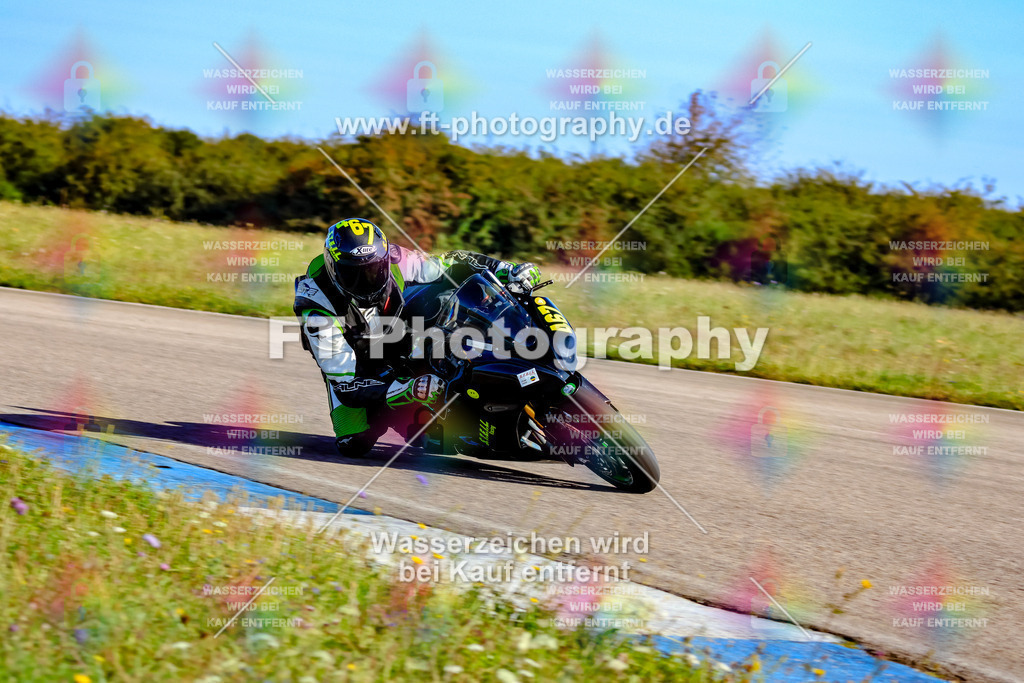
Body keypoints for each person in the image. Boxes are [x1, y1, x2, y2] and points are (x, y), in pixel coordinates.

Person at [294, 217, 541, 457]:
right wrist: (409, 389)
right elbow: (346, 385)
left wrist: (507, 270)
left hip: (399, 326)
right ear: (332, 268)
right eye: (353, 274)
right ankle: (415, 405)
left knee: (447, 289)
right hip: (361, 364)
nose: (366, 282)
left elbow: (452, 262)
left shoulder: (395, 258)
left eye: (373, 270)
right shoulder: (316, 308)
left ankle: (494, 357)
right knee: (355, 442)